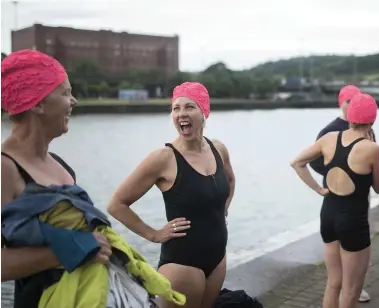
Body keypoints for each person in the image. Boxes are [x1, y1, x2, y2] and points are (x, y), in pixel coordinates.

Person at [1, 50, 183, 308]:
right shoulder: (5, 169)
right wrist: (69, 249)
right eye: (65, 93)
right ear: (38, 104)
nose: (73, 100)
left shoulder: (61, 166)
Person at [107, 82, 236, 308]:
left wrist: (221, 210)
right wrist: (153, 234)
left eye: (189, 107)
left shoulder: (218, 149)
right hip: (183, 264)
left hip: (217, 258)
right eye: (176, 109)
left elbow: (230, 180)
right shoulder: (163, 158)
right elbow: (117, 204)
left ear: (204, 112)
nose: (181, 114)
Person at [291, 93, 379, 308]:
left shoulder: (328, 138)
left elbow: (297, 162)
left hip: (329, 216)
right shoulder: (372, 149)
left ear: (349, 116)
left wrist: (319, 189)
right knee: (351, 292)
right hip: (354, 222)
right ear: (372, 120)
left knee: (334, 283)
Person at [309, 84, 373, 303]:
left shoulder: (366, 128)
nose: (354, 106)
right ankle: (352, 288)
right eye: (350, 102)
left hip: (357, 201)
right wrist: (336, 174)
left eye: (357, 101)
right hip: (337, 200)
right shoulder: (330, 130)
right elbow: (315, 161)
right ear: (341, 103)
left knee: (344, 270)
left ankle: (354, 285)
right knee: (339, 277)